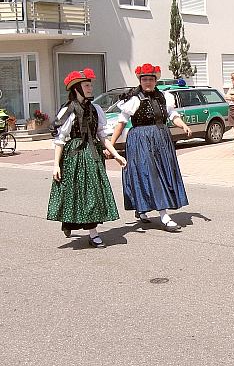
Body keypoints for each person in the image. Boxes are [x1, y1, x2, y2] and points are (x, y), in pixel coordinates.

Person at [47, 68, 126, 247]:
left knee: (92, 193)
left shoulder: (96, 109)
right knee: (74, 193)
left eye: (90, 85)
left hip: (92, 155)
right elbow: (60, 139)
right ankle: (68, 222)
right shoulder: (69, 110)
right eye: (86, 85)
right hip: (74, 155)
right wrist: (56, 165)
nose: (90, 88)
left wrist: (116, 155)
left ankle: (93, 232)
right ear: (77, 89)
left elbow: (102, 136)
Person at [110, 63, 192, 232]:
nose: (148, 82)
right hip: (140, 140)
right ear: (140, 80)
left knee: (163, 173)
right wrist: (111, 145)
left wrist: (183, 125)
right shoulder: (133, 99)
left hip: (161, 139)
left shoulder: (164, 97)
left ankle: (143, 209)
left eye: (151, 79)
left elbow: (173, 115)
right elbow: (121, 123)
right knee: (149, 174)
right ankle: (164, 216)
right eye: (144, 79)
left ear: (155, 81)